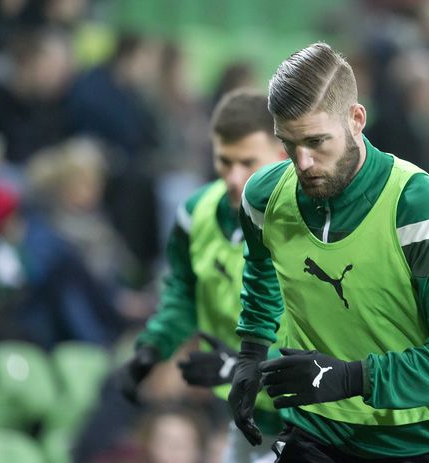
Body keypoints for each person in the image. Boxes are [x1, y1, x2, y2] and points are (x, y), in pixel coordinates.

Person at [228, 42, 429, 462]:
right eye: (289, 143)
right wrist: (250, 354)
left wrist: (353, 378)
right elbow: (261, 272)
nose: (304, 162)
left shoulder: (417, 204)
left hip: (424, 441)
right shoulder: (263, 198)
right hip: (317, 429)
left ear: (356, 119)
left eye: (317, 141)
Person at [118, 89, 286, 463]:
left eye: (248, 163)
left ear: (282, 156)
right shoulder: (197, 213)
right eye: (225, 163)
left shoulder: (310, 226)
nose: (233, 177)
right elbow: (184, 292)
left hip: (312, 416)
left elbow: (333, 339)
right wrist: (152, 348)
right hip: (241, 409)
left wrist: (240, 366)